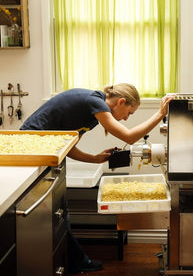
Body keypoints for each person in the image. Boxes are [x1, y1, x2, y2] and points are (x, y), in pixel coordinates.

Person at [20, 83, 174, 273]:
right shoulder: (95, 101)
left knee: (59, 213)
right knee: (54, 213)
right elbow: (129, 137)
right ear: (121, 102)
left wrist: (94, 159)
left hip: (48, 151)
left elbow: (67, 145)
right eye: (129, 113)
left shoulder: (92, 114)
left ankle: (73, 261)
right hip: (31, 145)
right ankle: (73, 262)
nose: (126, 118)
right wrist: (160, 114)